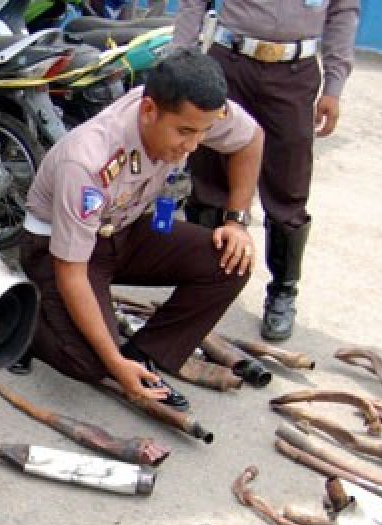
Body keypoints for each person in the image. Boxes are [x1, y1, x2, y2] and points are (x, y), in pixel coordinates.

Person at [17, 48, 263, 410]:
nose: (193, 145)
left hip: (125, 227)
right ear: (148, 111)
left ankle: (146, 356)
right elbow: (72, 272)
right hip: (58, 250)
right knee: (90, 364)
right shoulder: (87, 162)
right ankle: (19, 313)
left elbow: (251, 138)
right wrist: (113, 363)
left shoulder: (194, 108)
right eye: (185, 132)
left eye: (204, 133)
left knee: (229, 261)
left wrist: (236, 221)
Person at [173, 0, 361, 341]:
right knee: (210, 181)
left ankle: (283, 292)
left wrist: (334, 87)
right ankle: (199, 282)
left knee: (288, 188)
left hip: (295, 74)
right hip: (228, 64)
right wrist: (179, 55)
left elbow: (343, 13)